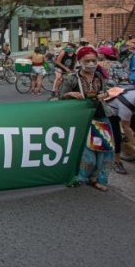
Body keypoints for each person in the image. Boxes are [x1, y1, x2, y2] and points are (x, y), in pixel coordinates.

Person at [61, 46, 113, 191]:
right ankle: (80, 176)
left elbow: (104, 92)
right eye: (87, 60)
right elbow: (60, 97)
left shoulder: (99, 76)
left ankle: (96, 178)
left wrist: (104, 95)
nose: (91, 63)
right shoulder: (72, 78)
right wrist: (70, 94)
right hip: (82, 119)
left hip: (101, 116)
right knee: (86, 151)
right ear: (79, 61)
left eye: (93, 60)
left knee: (103, 149)